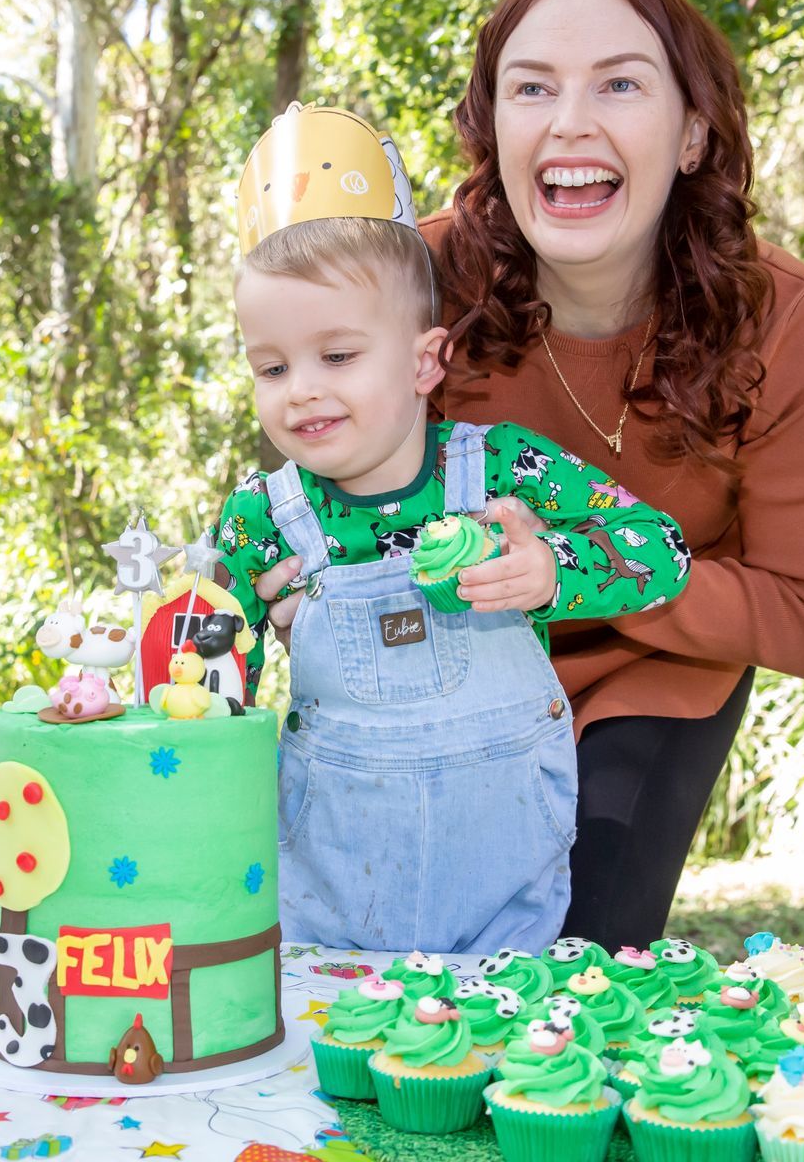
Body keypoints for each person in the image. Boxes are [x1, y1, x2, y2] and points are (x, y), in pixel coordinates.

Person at [254, 0, 804, 950]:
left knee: (562, 963)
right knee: (380, 951)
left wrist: (572, 572)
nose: (570, 121)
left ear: (694, 132)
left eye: (619, 83)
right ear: (495, 128)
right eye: (532, 87)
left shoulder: (779, 315)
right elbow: (312, 494)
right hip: (438, 669)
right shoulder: (409, 282)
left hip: (654, 666)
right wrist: (283, 598)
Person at [215, 103, 691, 953]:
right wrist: (224, 648)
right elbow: (202, 669)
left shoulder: (503, 472)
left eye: (337, 356)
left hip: (505, 906)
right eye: (272, 366)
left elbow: (664, 550)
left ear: (424, 361)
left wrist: (550, 568)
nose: (301, 391)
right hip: (329, 913)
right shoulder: (266, 517)